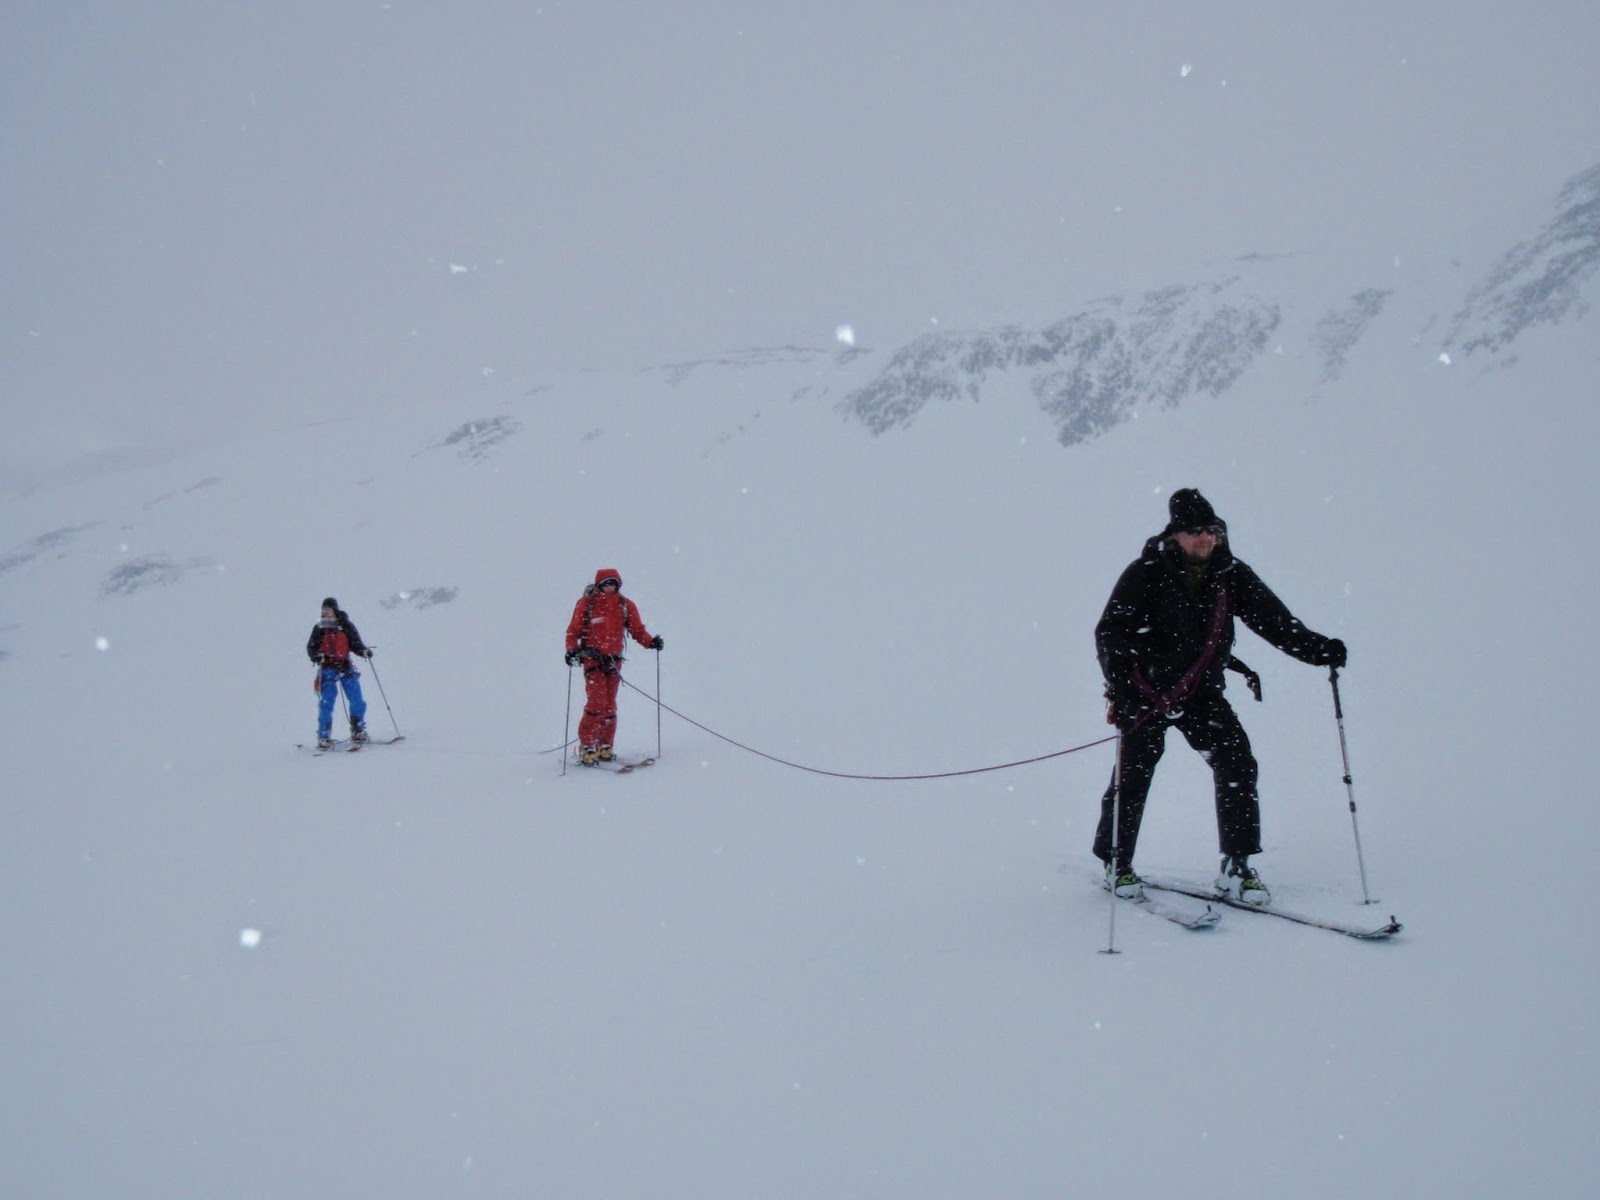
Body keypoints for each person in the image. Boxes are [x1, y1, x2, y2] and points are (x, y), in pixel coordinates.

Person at [1093, 489, 1346, 904]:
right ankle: (1116, 862)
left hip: (1202, 694)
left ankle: (1236, 865)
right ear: (1175, 534)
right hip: (1145, 695)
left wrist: (1319, 650)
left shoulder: (1231, 574)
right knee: (1132, 776)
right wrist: (1120, 684)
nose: (1205, 538)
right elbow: (1111, 633)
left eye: (1211, 530)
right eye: (1195, 531)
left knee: (1237, 764)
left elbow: (1274, 621)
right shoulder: (1145, 572)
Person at [564, 569, 663, 765]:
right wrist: (571, 650)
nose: (610, 587)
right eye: (606, 583)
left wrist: (651, 642)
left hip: (613, 662)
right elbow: (573, 630)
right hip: (593, 660)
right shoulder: (586, 603)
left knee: (609, 705)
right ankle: (587, 745)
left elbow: (637, 629)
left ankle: (605, 744)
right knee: (596, 703)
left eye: (613, 583)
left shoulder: (625, 605)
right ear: (599, 585)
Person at [306, 597, 372, 749]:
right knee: (327, 702)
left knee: (357, 699)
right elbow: (311, 648)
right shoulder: (319, 628)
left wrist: (364, 651)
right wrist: (317, 656)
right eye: (323, 610)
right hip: (327, 668)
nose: (325, 613)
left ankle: (358, 730)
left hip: (345, 666)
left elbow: (356, 644)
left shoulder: (346, 625)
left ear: (334, 610)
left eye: (327, 610)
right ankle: (324, 736)